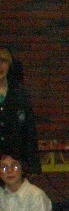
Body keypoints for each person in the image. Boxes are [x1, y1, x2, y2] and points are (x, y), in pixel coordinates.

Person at [0, 46, 41, 174]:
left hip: (16, 161)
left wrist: (33, 166)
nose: (0, 66)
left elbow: (29, 131)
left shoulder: (20, 93)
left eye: (3, 61)